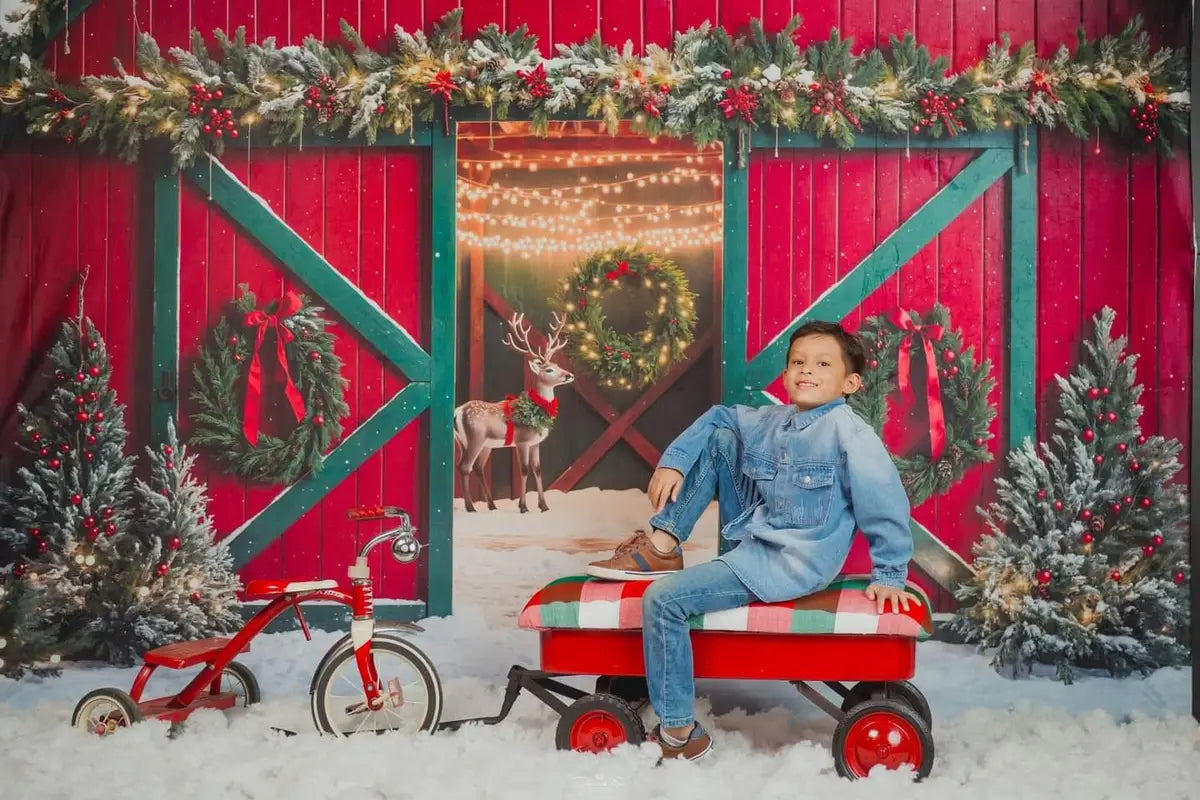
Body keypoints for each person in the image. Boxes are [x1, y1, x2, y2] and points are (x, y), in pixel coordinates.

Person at [585, 320, 915, 762]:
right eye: (798, 362)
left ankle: (680, 732)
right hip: (757, 536)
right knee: (721, 436)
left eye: (822, 363)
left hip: (793, 562)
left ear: (850, 382)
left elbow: (885, 503)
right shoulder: (776, 420)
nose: (806, 371)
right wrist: (675, 462)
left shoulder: (849, 434)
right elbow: (720, 416)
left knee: (662, 600)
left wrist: (890, 572)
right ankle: (664, 544)